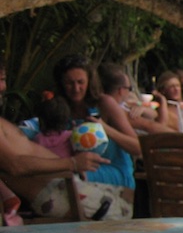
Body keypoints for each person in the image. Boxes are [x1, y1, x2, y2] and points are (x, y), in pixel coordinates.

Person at [0, 58, 112, 219]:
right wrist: (72, 163)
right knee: (117, 218)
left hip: (62, 184)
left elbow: (30, 152)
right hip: (50, 193)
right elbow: (15, 165)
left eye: (2, 79)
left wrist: (73, 167)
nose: (1, 87)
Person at [52, 55, 137, 218]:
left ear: (89, 81)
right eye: (70, 83)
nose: (76, 88)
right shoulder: (60, 109)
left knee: (71, 179)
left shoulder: (105, 104)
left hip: (114, 170)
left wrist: (105, 128)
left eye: (80, 82)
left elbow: (137, 147)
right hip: (78, 167)